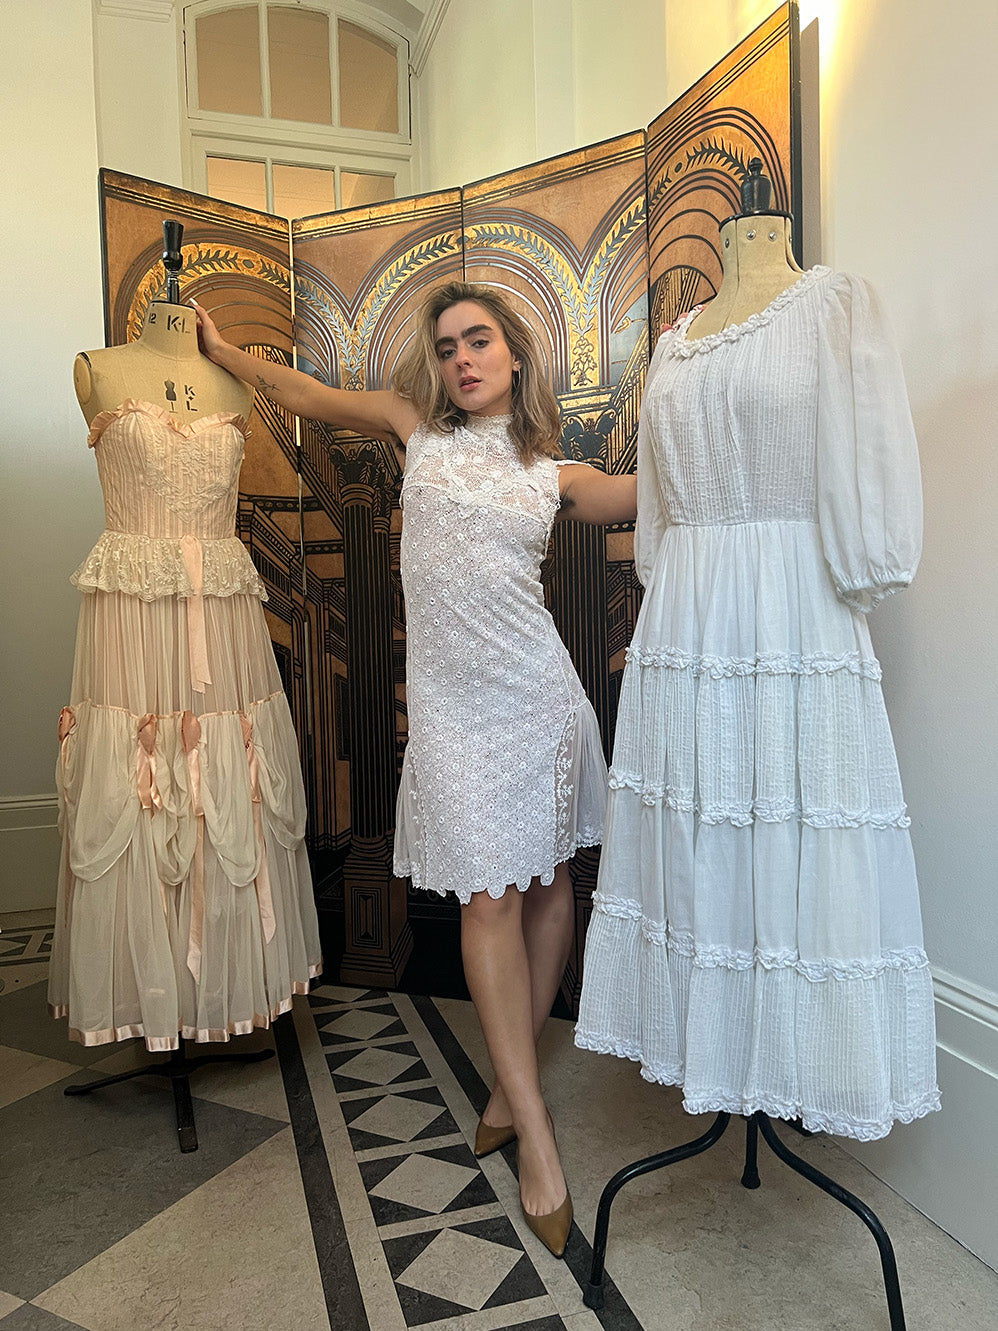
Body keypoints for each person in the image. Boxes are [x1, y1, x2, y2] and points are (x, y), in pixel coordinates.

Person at [192, 281, 637, 1256]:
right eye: (446, 347)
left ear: (515, 355)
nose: (461, 358)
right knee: (488, 895)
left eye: (478, 340)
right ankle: (535, 1128)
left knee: (550, 883)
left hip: (540, 700)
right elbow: (307, 396)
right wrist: (225, 354)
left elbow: (656, 492)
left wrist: (714, 397)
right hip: (455, 712)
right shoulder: (414, 431)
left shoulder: (558, 472)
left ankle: (509, 1089)